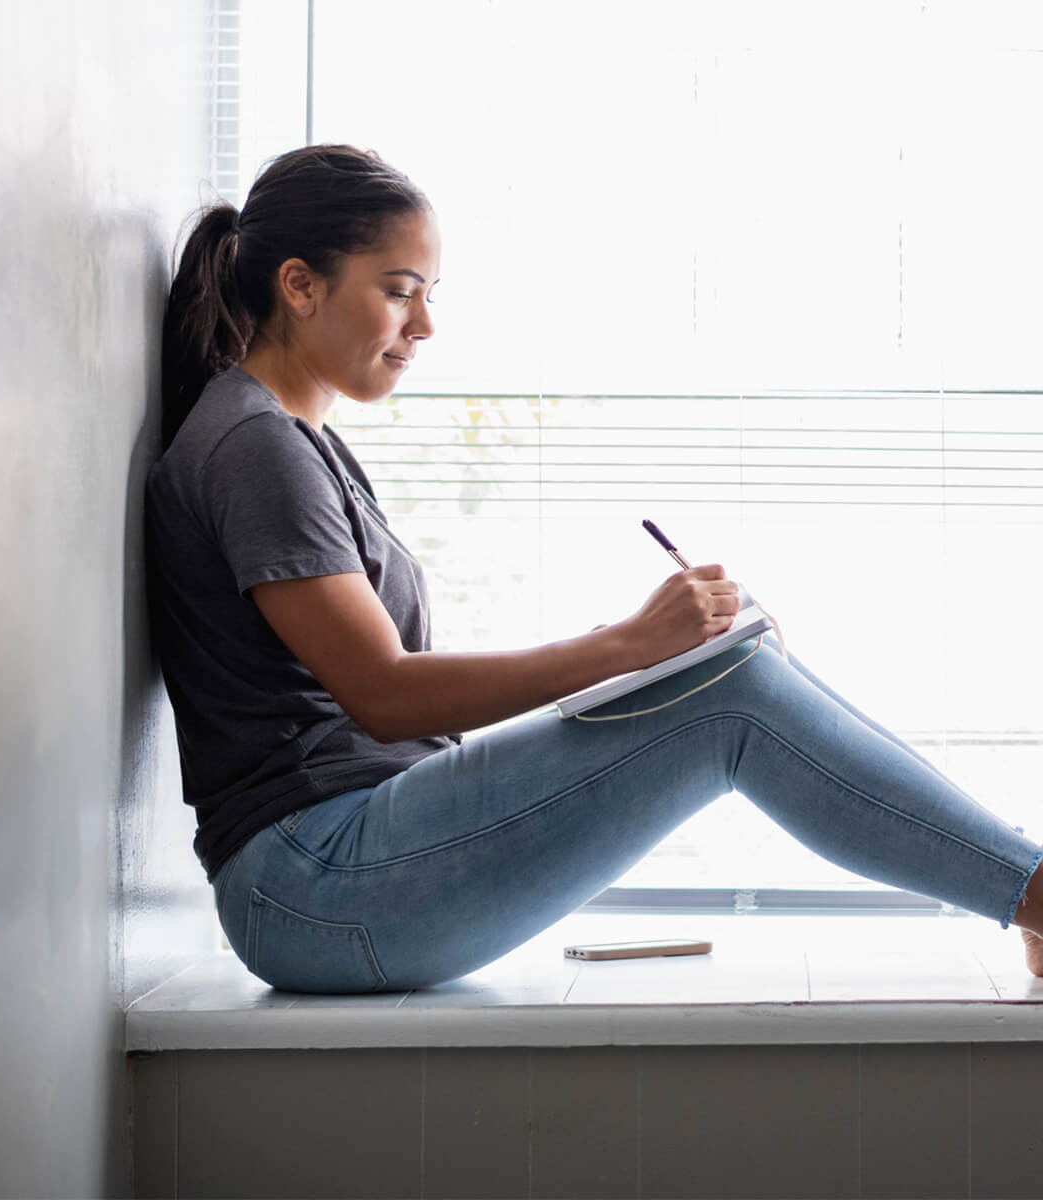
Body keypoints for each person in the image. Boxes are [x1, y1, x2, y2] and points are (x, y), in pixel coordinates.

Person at [145, 144, 1043, 993]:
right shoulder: (256, 445)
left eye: (429, 294)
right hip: (314, 889)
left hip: (339, 871)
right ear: (299, 285)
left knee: (736, 673)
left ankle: (1027, 882)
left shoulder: (291, 439)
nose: (425, 324)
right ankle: (1035, 891)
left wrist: (649, 656)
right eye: (399, 291)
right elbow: (384, 695)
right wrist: (627, 646)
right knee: (734, 699)